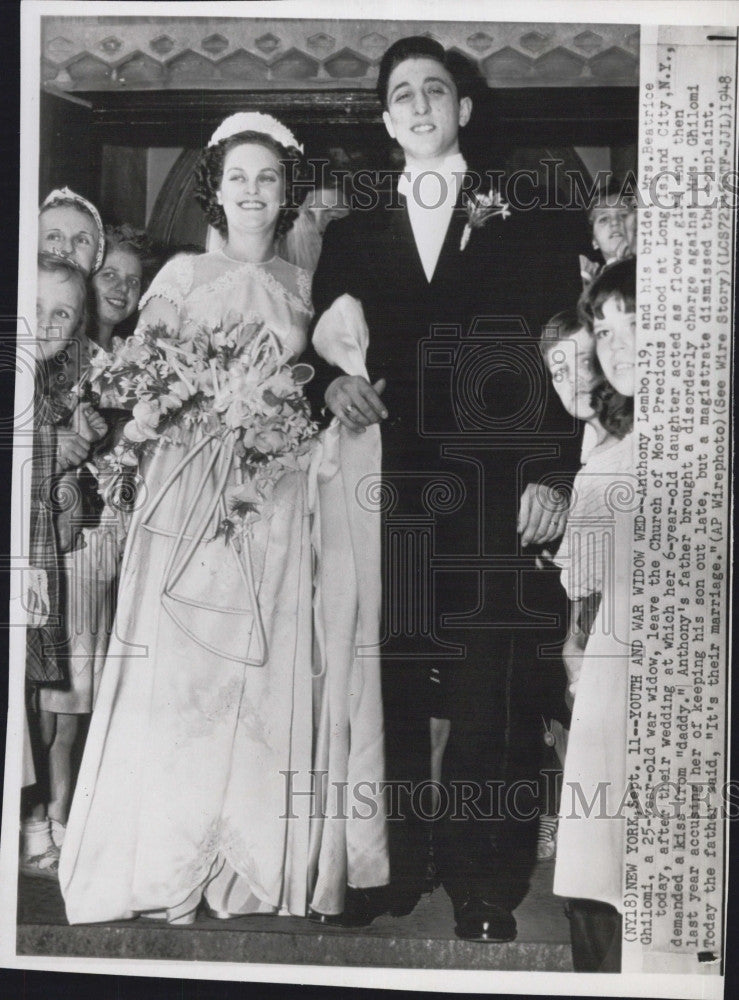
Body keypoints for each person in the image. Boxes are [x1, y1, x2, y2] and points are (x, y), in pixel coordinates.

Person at [305, 36, 584, 941]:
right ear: (387, 120)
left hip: (495, 482)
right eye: (401, 94)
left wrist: (551, 471)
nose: (419, 104)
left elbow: (562, 358)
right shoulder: (348, 236)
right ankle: (388, 867)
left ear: (463, 110)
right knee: (381, 678)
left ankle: (483, 885)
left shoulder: (529, 217)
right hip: (385, 486)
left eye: (435, 90)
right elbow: (323, 352)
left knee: (486, 685)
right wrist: (329, 386)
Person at [58, 112, 349, 924]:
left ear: (286, 190)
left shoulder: (301, 284)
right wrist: (206, 410)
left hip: (275, 497)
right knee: (188, 673)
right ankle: (167, 857)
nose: (253, 193)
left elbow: (310, 389)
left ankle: (248, 865)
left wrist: (277, 423)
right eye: (238, 178)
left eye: (268, 178)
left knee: (265, 666)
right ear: (214, 191)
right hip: (192, 494)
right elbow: (140, 389)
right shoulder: (181, 276)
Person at [37, 224, 158, 849]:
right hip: (72, 542)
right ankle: (50, 818)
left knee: (101, 686)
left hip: (120, 543)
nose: (121, 288)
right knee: (62, 686)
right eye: (110, 273)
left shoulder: (139, 361)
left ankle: (82, 815)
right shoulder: (61, 357)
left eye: (134, 281)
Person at [554, 257, 636, 972]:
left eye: (635, 324)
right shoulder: (603, 461)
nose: (618, 347)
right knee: (599, 863)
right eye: (605, 331)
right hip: (612, 685)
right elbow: (584, 604)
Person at [21, 253, 104, 878]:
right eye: (37, 308)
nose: (47, 324)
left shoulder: (60, 386)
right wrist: (54, 451)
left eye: (63, 314)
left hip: (40, 566)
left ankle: (36, 824)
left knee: (37, 709)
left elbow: (67, 510)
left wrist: (74, 460)